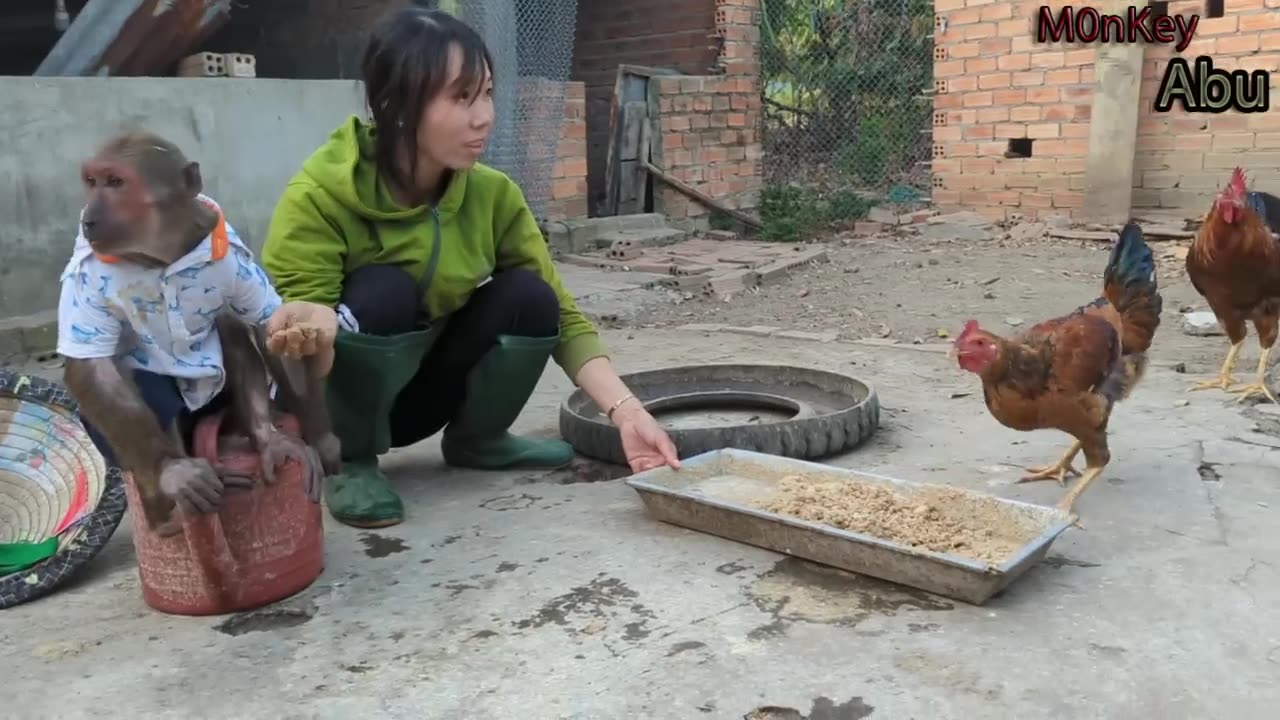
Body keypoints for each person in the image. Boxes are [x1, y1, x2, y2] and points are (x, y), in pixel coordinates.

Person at [260, 6, 680, 529]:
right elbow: (297, 348)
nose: (484, 115)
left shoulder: (492, 195)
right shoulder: (318, 197)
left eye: (486, 93)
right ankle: (350, 462)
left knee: (530, 296)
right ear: (396, 103)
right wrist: (314, 332)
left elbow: (564, 317)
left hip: (426, 392)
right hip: (343, 404)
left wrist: (627, 412)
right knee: (385, 288)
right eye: (461, 97)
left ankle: (478, 439)